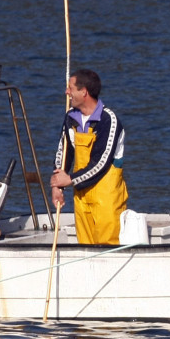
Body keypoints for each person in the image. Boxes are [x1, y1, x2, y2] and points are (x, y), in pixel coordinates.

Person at [50, 69, 128, 246]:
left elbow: (101, 163)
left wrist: (69, 179)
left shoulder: (108, 120)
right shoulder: (71, 118)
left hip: (106, 197)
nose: (66, 92)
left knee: (109, 246)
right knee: (84, 246)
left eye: (70, 88)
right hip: (81, 196)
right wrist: (57, 186)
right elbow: (63, 153)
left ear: (84, 92)